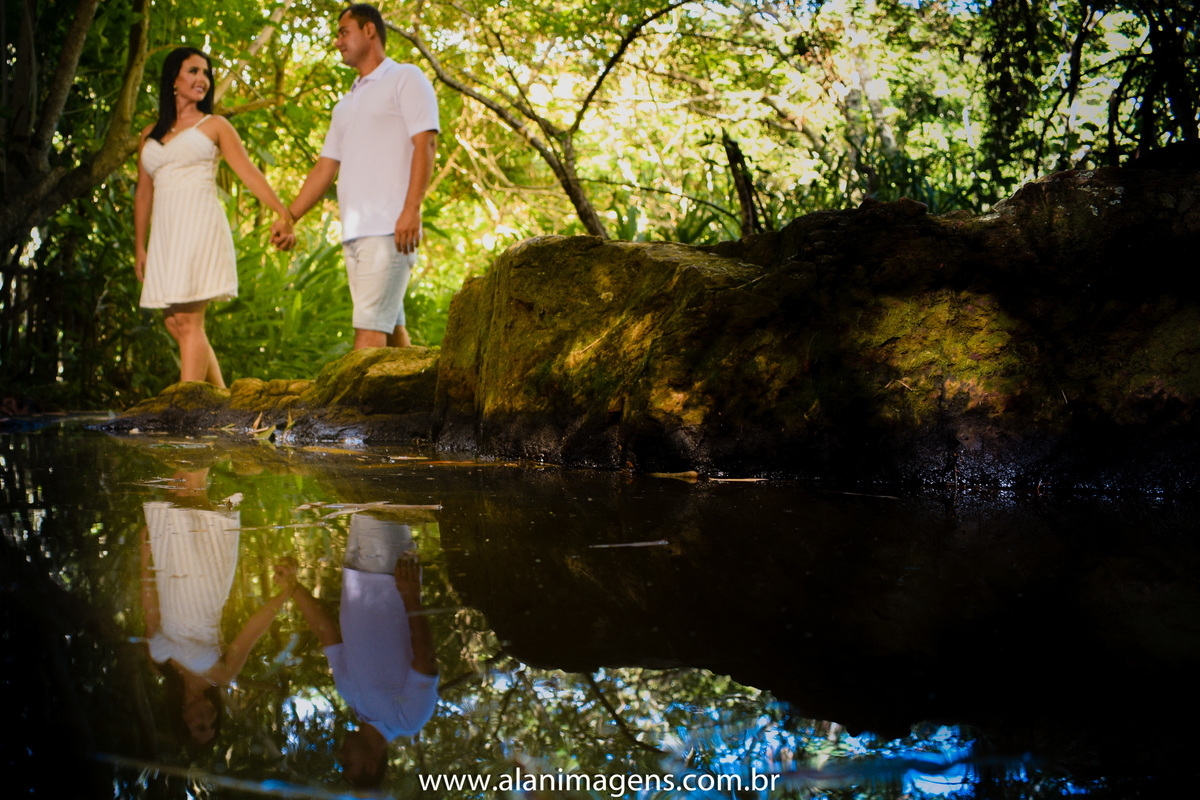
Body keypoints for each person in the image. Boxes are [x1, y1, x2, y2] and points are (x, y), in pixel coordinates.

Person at [271, 3, 439, 350]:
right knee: (392, 336)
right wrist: (289, 217)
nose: (337, 42)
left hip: (389, 230)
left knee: (368, 337)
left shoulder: (405, 77)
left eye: (343, 32)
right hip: (355, 233)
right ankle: (431, 388)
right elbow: (325, 167)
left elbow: (426, 142)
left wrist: (412, 209)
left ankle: (358, 395)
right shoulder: (346, 104)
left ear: (369, 30)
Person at [135, 46, 295, 387]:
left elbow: (248, 173)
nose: (203, 79)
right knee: (174, 322)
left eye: (206, 73)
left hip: (199, 225)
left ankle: (187, 407)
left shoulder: (215, 125)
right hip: (165, 234)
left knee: (190, 322)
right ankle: (221, 398)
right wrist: (140, 246)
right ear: (173, 79)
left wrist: (284, 212)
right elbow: (144, 193)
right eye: (194, 71)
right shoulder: (149, 135)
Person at [274, 514, 438, 788]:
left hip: (355, 570)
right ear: (372, 765)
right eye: (348, 764)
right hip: (389, 576)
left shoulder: (351, 696)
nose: (340, 756)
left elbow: (328, 634)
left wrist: (294, 588)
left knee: (366, 500)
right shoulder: (408, 721)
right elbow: (426, 660)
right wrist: (411, 596)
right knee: (376, 499)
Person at [138, 469, 295, 747]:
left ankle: (198, 450)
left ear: (183, 719)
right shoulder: (221, 675)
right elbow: (252, 630)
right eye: (214, 723)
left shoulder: (159, 667)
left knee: (176, 486)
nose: (208, 719)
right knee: (194, 490)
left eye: (200, 726)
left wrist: (145, 561)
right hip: (206, 584)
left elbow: (151, 617)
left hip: (169, 572)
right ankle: (210, 452)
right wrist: (286, 593)